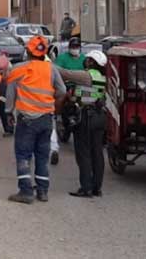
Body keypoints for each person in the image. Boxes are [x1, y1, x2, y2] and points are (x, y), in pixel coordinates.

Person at [5, 35, 66, 204]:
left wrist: (9, 112)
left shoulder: (18, 68)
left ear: (28, 52)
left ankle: (25, 191)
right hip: (46, 119)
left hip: (27, 120)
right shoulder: (51, 69)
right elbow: (62, 91)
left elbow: (10, 93)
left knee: (23, 154)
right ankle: (42, 191)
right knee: (42, 155)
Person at [58, 50, 108, 198]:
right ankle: (96, 188)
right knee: (97, 153)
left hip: (86, 118)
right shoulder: (101, 77)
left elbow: (64, 73)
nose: (85, 61)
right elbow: (91, 95)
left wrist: (47, 64)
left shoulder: (86, 75)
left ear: (92, 62)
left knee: (84, 153)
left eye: (87, 59)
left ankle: (86, 188)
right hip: (99, 117)